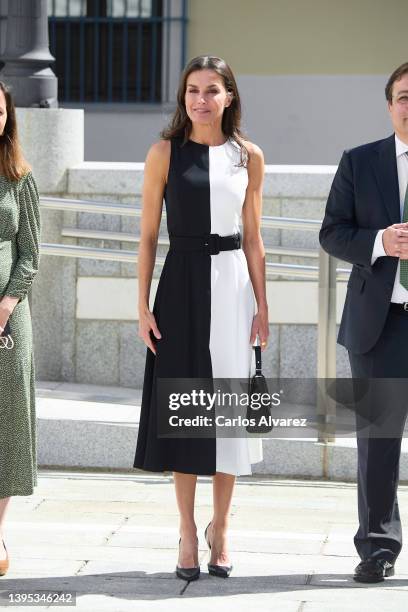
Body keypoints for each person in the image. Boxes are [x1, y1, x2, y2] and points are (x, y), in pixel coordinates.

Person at [134, 55, 269, 581]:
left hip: (233, 288)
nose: (200, 99)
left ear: (229, 97)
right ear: (183, 97)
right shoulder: (164, 153)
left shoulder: (249, 157)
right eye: (192, 90)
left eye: (212, 90)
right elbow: (146, 235)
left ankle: (222, 529)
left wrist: (263, 305)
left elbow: (255, 239)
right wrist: (141, 304)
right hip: (181, 286)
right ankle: (188, 533)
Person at [320, 62, 408, 583]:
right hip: (380, 324)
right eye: (403, 96)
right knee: (378, 443)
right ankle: (378, 548)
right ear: (389, 104)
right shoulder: (360, 161)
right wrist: (379, 242)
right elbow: (332, 233)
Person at [0, 81, 41, 577]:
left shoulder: (19, 177)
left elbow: (30, 251)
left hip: (8, 320)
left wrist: (8, 302)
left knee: (6, 423)